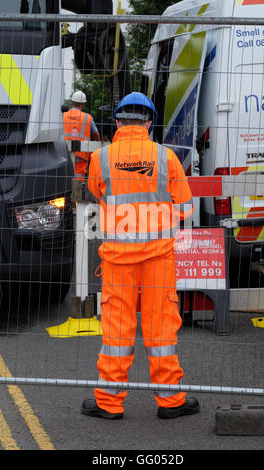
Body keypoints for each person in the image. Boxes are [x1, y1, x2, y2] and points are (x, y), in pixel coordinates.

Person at [81, 92, 199, 420]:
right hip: (159, 258)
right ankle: (170, 401)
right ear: (149, 122)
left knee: (117, 330)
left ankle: (109, 403)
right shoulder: (167, 158)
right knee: (161, 326)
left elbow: (98, 195)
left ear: (118, 121)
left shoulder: (101, 158)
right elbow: (186, 207)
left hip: (118, 258)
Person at [63, 90, 100, 181]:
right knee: (78, 178)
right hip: (81, 155)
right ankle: (77, 194)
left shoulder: (62, 116)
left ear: (72, 103)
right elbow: (96, 134)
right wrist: (97, 145)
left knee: (64, 176)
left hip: (64, 153)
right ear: (82, 104)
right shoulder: (88, 118)